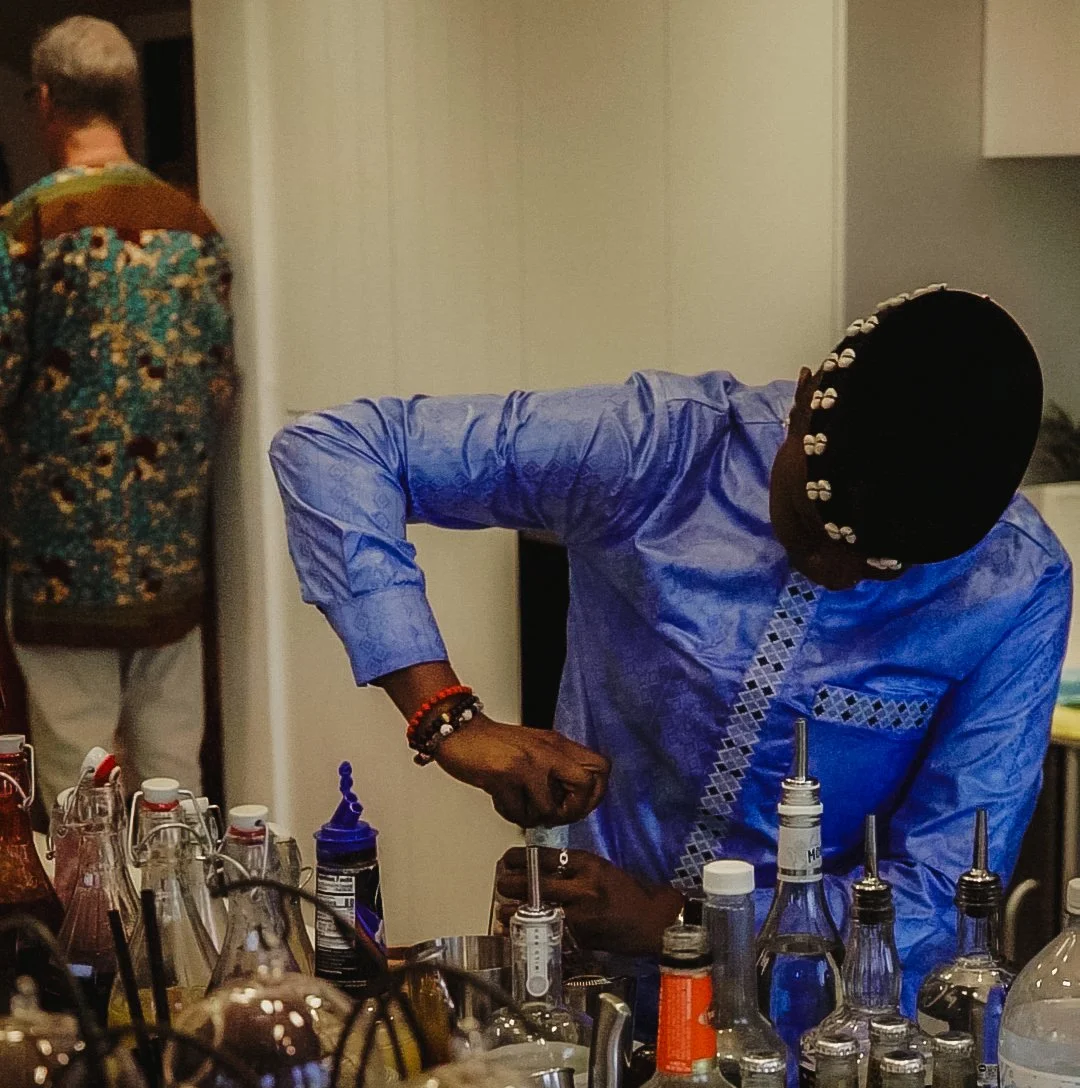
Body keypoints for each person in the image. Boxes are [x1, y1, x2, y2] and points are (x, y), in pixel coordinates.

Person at [271, 287, 1069, 1009]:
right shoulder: (659, 451)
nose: (833, 572)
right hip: (591, 1002)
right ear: (798, 402)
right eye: (808, 521)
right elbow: (336, 450)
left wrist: (674, 922)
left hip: (825, 1034)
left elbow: (942, 891)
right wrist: (447, 716)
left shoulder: (1012, 584)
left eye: (876, 569)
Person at [0, 16, 235, 809]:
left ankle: (102, 935)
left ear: (44, 102)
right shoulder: (195, 229)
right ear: (126, 103)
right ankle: (191, 933)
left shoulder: (26, 229)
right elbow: (219, 386)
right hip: (172, 561)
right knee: (176, 779)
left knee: (79, 785)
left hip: (57, 568)